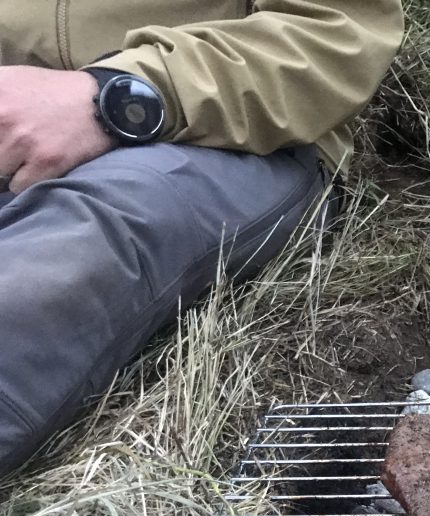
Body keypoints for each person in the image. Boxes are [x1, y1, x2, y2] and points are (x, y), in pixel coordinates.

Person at [0, 0, 405, 477]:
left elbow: (336, 36)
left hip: (231, 129)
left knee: (83, 237)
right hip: (16, 120)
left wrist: (116, 95)